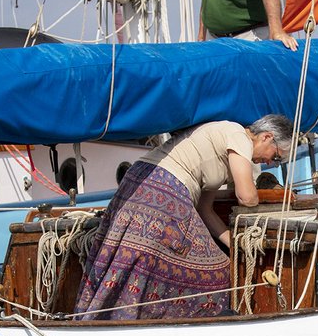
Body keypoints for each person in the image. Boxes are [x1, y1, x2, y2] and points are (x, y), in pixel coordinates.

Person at [74, 115, 294, 321]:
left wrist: (235, 246)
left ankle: (111, 318)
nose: (270, 164)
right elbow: (247, 197)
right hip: (163, 190)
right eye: (275, 157)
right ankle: (160, 324)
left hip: (142, 179)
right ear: (266, 137)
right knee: (215, 273)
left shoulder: (225, 154)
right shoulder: (239, 136)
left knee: (129, 261)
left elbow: (204, 209)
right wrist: (269, 193)